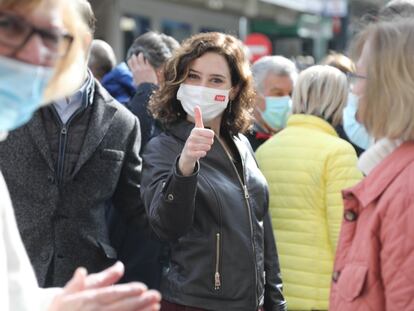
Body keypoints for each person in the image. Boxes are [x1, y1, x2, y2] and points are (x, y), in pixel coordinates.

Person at [0, 0, 160, 310]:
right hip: (28, 261)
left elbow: (136, 208)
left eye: (54, 38)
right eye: (11, 27)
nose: (34, 53)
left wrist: (183, 178)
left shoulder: (122, 121)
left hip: (80, 273)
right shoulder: (17, 108)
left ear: (83, 43)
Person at [140, 32, 286, 311]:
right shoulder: (163, 147)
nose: (202, 87)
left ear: (233, 90)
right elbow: (165, 225)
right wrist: (185, 166)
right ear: (179, 82)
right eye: (193, 76)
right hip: (195, 302)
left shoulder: (242, 144)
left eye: (215, 80)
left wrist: (275, 301)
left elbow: (263, 232)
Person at [256, 65, 362, 311]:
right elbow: (346, 236)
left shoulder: (265, 150)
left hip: (274, 292)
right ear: (340, 101)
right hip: (320, 295)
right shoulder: (339, 153)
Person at [329, 18, 414, 310]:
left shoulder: (407, 191)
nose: (354, 91)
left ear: (392, 87)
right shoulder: (391, 172)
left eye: (360, 78)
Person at [108, 31, 179, 288]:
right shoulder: (115, 101)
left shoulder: (174, 110)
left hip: (157, 246)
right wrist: (146, 89)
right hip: (129, 240)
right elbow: (134, 143)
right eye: (167, 73)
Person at [247, 55, 297, 150]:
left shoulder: (296, 141)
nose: (287, 101)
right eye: (278, 93)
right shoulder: (239, 141)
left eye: (291, 94)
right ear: (253, 94)